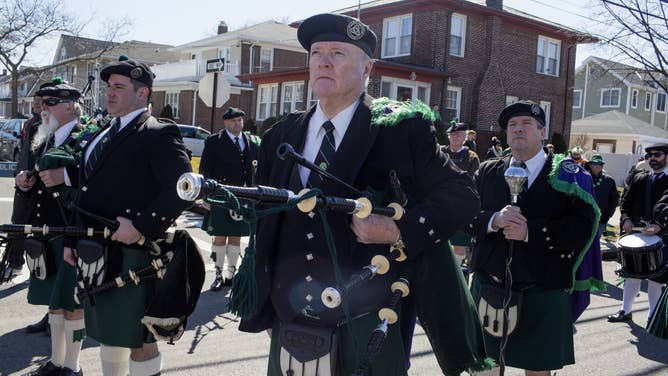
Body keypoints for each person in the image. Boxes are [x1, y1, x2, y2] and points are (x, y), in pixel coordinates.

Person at [237, 13, 486, 375]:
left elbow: (463, 195)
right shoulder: (281, 135)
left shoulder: (400, 129)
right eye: (316, 53)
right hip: (289, 314)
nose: (323, 61)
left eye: (337, 53)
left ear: (368, 67)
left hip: (368, 319)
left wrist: (398, 230)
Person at [64, 56, 192, 375]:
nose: (110, 93)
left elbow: (183, 188)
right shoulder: (100, 134)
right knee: (110, 332)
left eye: (119, 87)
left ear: (143, 93)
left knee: (138, 338)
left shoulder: (158, 132)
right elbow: (83, 192)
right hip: (95, 251)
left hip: (135, 255)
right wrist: (71, 239)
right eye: (109, 87)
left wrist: (141, 226)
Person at [468, 100, 597, 375]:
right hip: (488, 286)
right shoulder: (487, 171)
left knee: (538, 371)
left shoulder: (569, 175)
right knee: (483, 368)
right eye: (512, 125)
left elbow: (581, 229)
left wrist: (531, 232)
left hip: (542, 290)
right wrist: (493, 220)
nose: (518, 130)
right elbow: (463, 215)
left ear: (542, 132)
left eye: (526, 123)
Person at [15, 78, 88, 375]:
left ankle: (73, 366)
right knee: (54, 303)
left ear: (71, 106)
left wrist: (67, 176)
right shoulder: (44, 138)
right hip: (47, 232)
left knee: (73, 303)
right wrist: (25, 182)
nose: (43, 108)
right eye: (43, 103)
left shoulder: (88, 138)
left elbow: (96, 180)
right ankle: (57, 362)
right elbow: (37, 179)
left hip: (74, 232)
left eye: (51, 102)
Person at [199, 107, 260, 290]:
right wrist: (206, 197)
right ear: (225, 122)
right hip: (221, 195)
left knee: (235, 238)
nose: (238, 123)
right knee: (220, 237)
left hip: (244, 196)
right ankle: (218, 274)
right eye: (233, 120)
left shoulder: (251, 141)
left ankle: (230, 274)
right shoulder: (214, 142)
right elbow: (205, 171)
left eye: (240, 120)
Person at [7, 82, 51, 333]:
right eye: (38, 100)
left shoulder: (50, 127)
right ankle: (13, 263)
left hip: (41, 194)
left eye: (45, 101)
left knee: (41, 244)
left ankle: (55, 314)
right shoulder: (32, 123)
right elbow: (25, 155)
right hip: (25, 188)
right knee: (18, 226)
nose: (39, 104)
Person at [608, 143, 668, 323]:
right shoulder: (640, 178)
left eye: (657, 155)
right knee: (631, 275)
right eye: (649, 156)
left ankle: (652, 317)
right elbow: (625, 201)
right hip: (637, 236)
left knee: (656, 279)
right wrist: (626, 219)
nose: (652, 159)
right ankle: (625, 311)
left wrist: (660, 226)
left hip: (662, 236)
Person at [441, 122, 479, 270]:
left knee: (459, 247)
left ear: (464, 137)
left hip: (460, 207)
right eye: (452, 135)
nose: (455, 138)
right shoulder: (441, 152)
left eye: (458, 135)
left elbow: (473, 183)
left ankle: (456, 274)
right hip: (439, 204)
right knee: (439, 242)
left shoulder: (471, 157)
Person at [585, 154, 619, 237]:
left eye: (600, 164)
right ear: (590, 165)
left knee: (595, 243)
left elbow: (614, 200)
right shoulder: (584, 178)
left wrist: (607, 216)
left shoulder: (609, 181)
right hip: (584, 218)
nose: (597, 166)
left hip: (601, 219)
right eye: (595, 164)